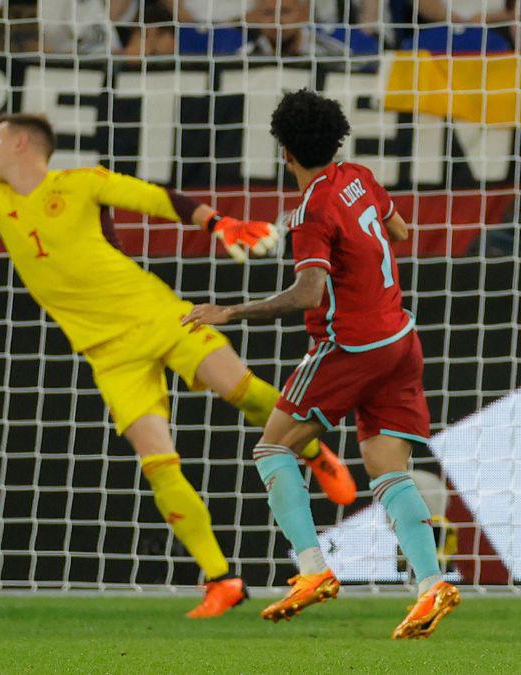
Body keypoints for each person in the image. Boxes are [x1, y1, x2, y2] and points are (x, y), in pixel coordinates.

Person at [0, 36, 359, 619]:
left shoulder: (80, 183)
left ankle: (309, 450)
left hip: (158, 316)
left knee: (239, 387)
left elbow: (157, 198)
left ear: (22, 142)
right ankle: (222, 579)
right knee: (160, 462)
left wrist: (218, 222)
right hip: (109, 354)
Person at [183, 89, 460, 638]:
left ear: (284, 152)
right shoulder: (358, 176)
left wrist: (231, 310)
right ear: (336, 140)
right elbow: (400, 232)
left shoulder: (310, 210)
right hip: (399, 338)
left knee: (272, 448)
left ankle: (313, 570)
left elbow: (309, 293)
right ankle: (432, 584)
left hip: (350, 346)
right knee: (389, 471)